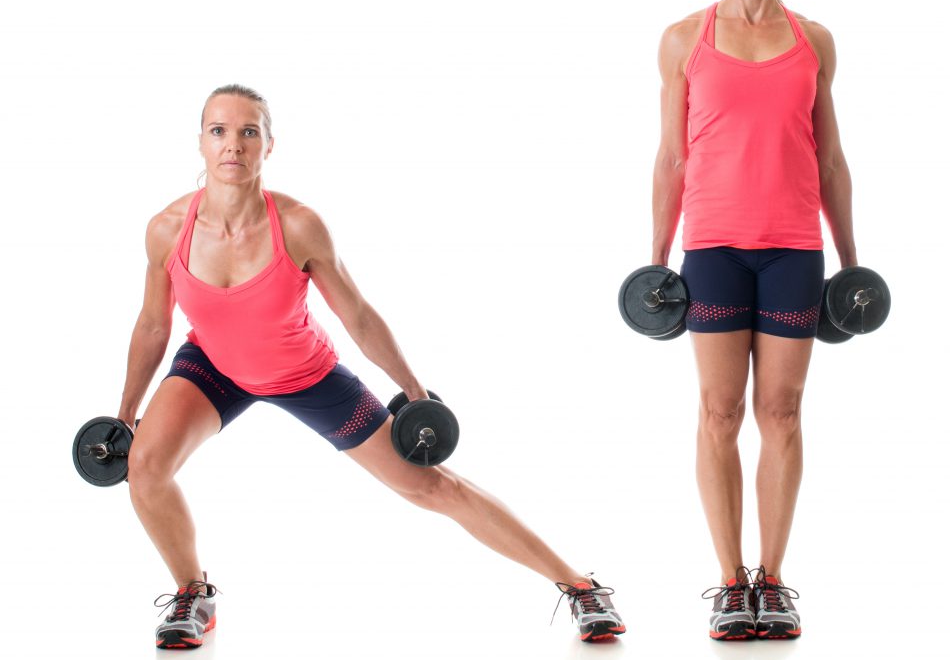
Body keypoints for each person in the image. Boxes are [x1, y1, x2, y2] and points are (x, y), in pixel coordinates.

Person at [118, 84, 625, 649]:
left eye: (248, 131)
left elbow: (356, 315)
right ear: (200, 142)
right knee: (146, 466)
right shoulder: (167, 230)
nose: (232, 145)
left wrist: (413, 389)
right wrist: (124, 415)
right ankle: (194, 594)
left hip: (305, 374)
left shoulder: (299, 226)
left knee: (430, 487)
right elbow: (153, 327)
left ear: (269, 144)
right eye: (219, 131)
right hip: (212, 367)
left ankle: (580, 588)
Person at [652, 0, 856, 640]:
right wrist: (653, 262)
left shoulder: (815, 41)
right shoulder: (683, 39)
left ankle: (773, 580)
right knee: (718, 412)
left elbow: (830, 160)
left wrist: (852, 262)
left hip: (795, 250)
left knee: (781, 412)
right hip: (711, 249)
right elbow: (671, 157)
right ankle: (730, 581)